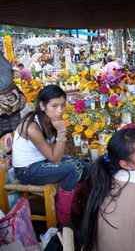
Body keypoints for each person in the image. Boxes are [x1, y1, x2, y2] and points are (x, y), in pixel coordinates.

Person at [12, 85, 90, 225]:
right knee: (73, 168)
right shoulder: (32, 127)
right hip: (27, 171)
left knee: (86, 164)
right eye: (54, 106)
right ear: (42, 105)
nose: (59, 111)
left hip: (42, 162)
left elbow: (55, 152)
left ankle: (71, 203)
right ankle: (63, 215)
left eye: (62, 105)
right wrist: (61, 131)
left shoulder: (50, 120)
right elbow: (55, 158)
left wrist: (59, 131)